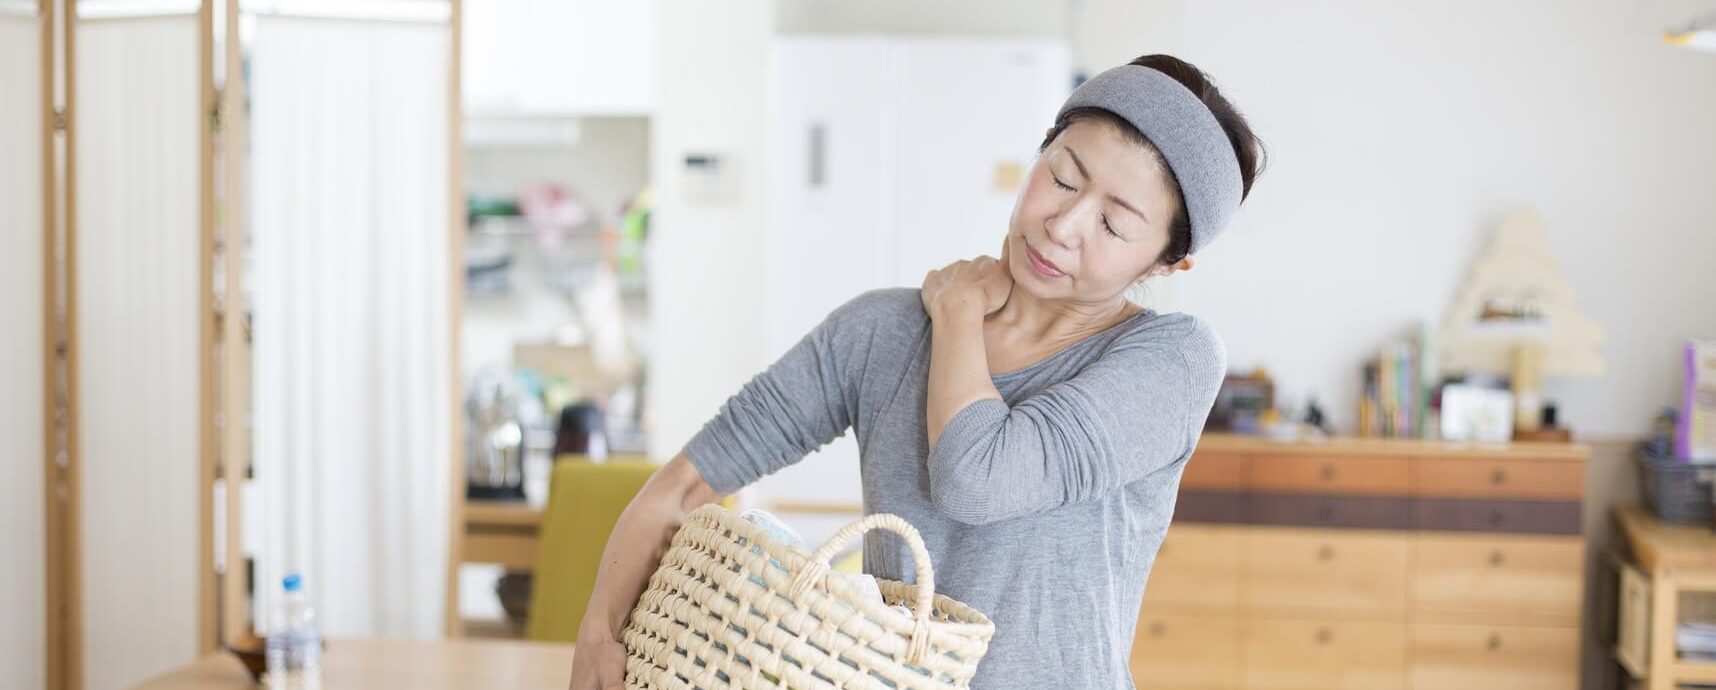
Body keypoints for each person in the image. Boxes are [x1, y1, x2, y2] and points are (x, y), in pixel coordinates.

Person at [567, 53, 1265, 690]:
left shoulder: (1172, 360)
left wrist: (959, 311)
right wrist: (599, 634)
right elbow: (683, 484)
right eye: (1061, 177)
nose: (1064, 224)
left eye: (1114, 225)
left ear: (1167, 264)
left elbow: (975, 477)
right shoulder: (884, 332)